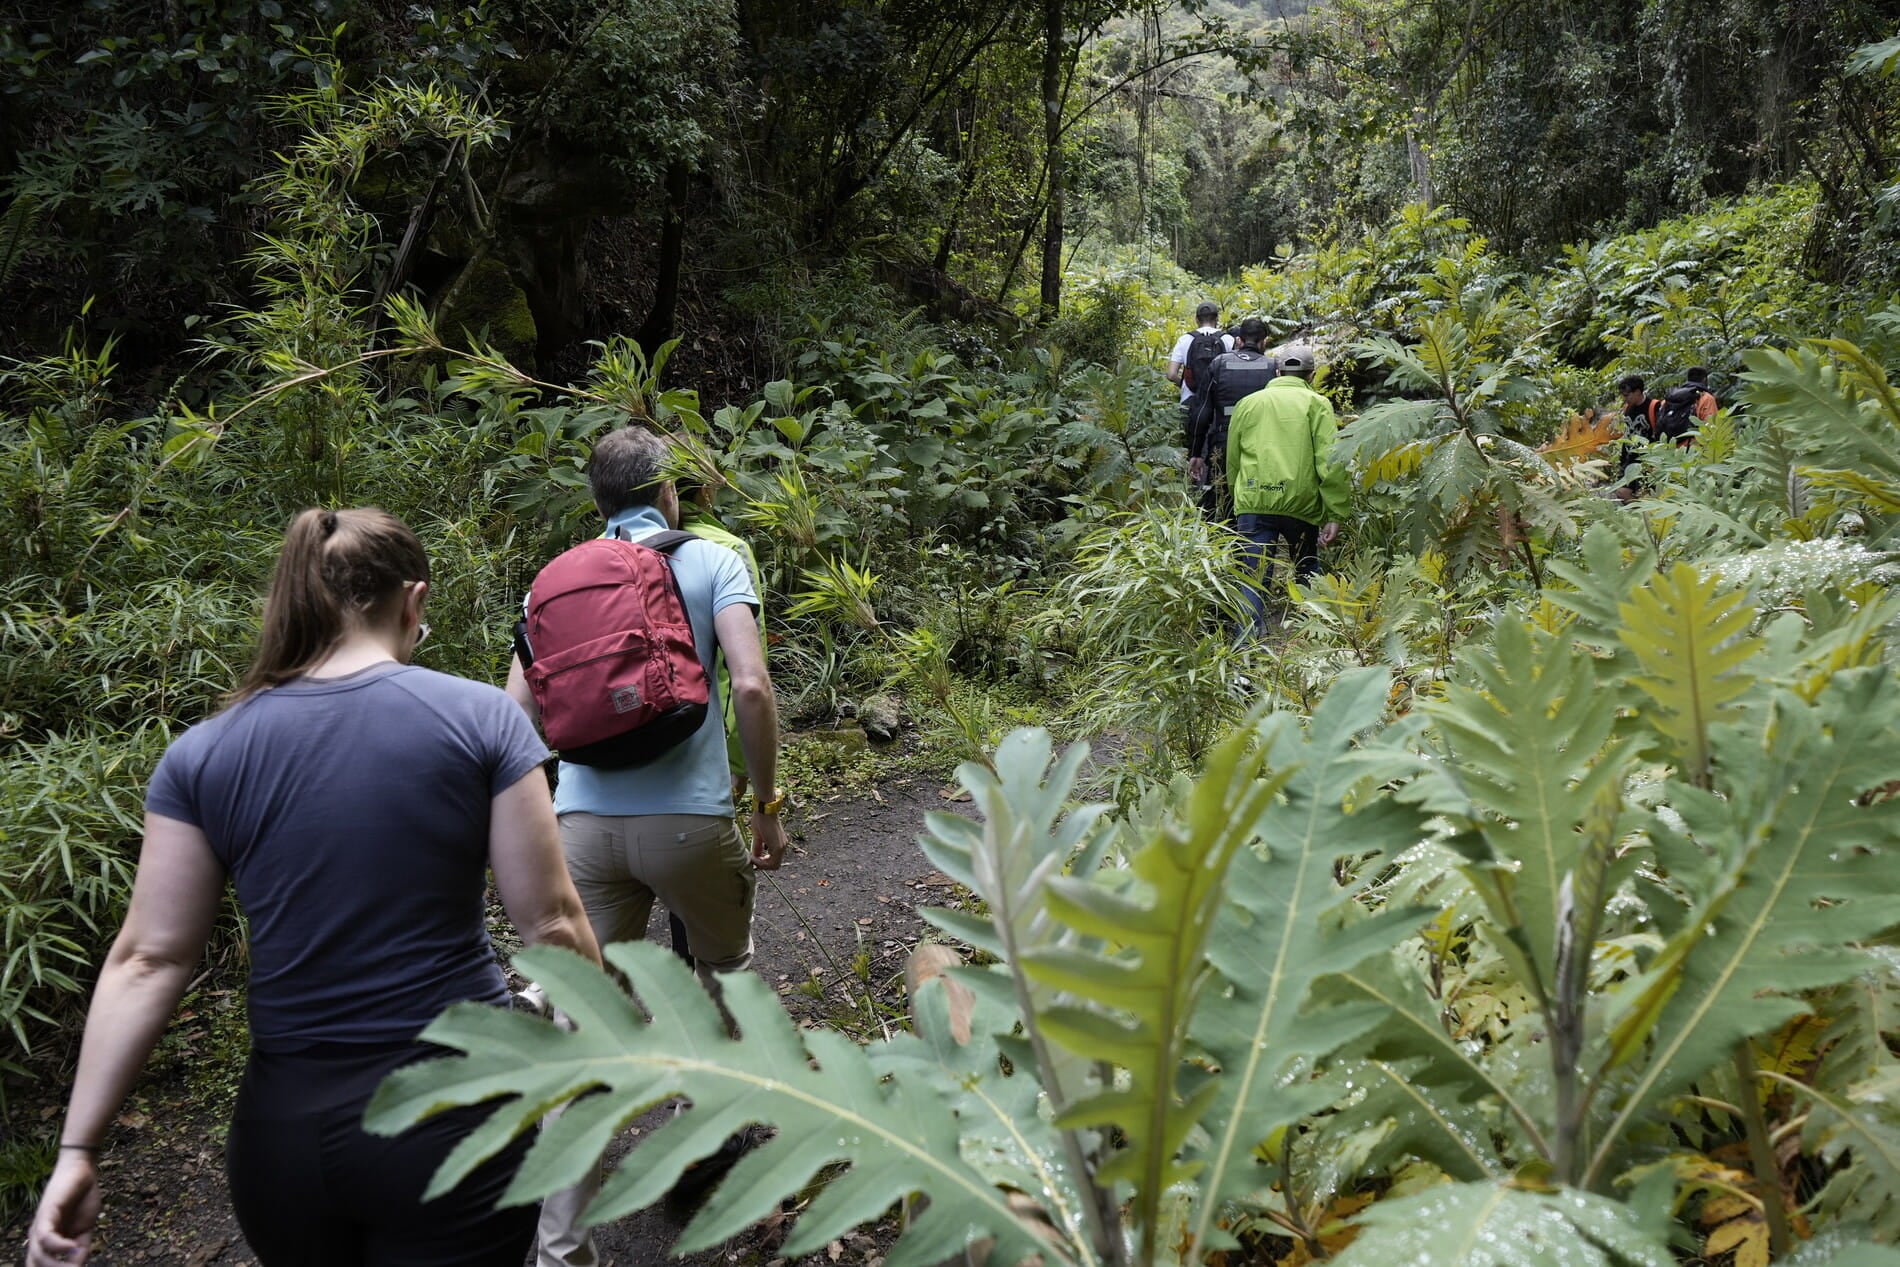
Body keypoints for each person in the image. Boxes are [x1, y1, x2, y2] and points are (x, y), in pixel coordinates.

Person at [25, 508, 601, 1267]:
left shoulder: (204, 754)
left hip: (286, 1137)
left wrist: (78, 1147)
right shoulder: (480, 718)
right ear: (414, 601)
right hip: (456, 1116)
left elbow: (148, 959)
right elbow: (553, 923)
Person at [508, 426, 787, 1267]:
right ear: (672, 491)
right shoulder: (710, 560)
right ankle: (707, 1153)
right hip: (691, 823)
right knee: (725, 973)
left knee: (582, 1029)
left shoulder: (554, 583)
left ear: (596, 501)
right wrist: (768, 804)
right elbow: (749, 682)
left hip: (582, 829)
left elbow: (510, 716)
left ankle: (560, 1249)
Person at [1225, 349, 1349, 634]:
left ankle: (1245, 649)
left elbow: (1232, 459)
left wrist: (1238, 497)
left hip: (1254, 501)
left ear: (1277, 373)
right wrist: (1335, 512)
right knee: (1306, 569)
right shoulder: (1317, 404)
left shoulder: (1248, 404)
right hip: (1301, 503)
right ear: (1311, 375)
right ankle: (1311, 640)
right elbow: (1330, 461)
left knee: (1252, 578)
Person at [1187, 317, 1280, 516]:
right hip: (1260, 444)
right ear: (1264, 341)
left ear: (1238, 340)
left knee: (1220, 497)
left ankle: (1218, 540)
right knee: (1255, 496)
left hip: (1224, 441)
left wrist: (1196, 452)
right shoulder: (1273, 368)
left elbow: (1202, 411)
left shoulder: (1219, 364)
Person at [1167, 302, 1234, 516]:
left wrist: (1186, 386)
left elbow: (1170, 374)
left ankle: (1193, 490)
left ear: (1196, 319)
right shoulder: (1228, 339)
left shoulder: (1185, 339)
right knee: (1216, 445)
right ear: (1217, 318)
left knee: (1194, 444)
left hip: (1191, 400)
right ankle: (1217, 491)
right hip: (1220, 403)